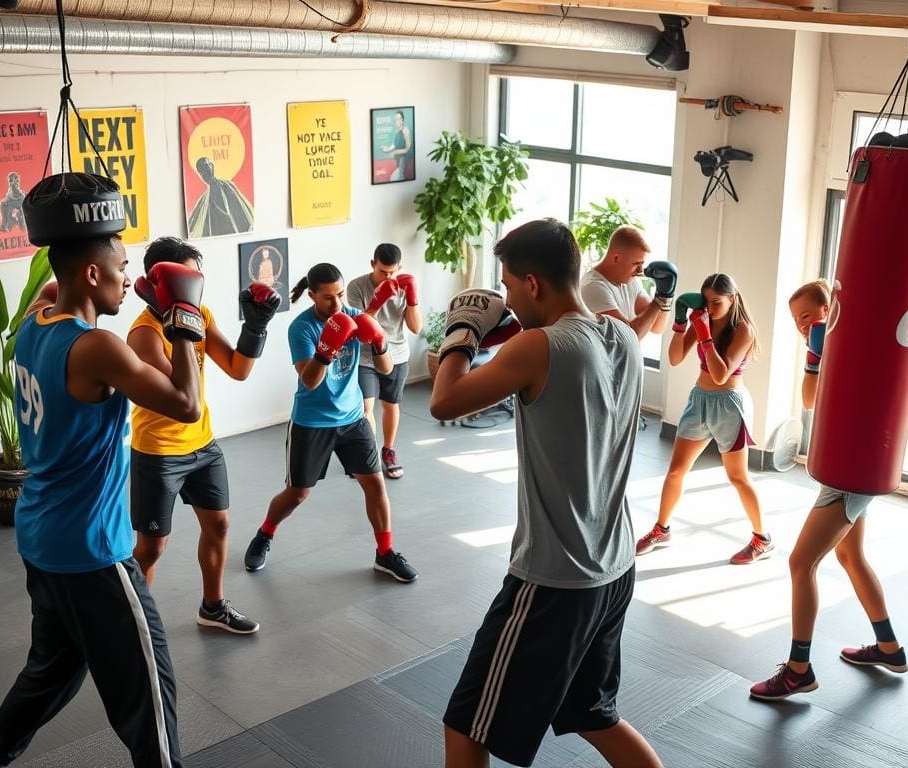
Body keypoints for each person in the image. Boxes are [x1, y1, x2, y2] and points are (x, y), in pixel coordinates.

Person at [0, 172, 203, 768]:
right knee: (150, 697)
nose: (132, 279)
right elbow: (186, 404)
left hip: (41, 537)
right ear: (92, 273)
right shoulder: (97, 348)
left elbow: (53, 292)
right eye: (123, 266)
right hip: (92, 553)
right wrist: (183, 316)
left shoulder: (34, 322)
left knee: (49, 674)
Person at [432, 219, 662, 768]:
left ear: (533, 283)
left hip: (556, 579)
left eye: (510, 286)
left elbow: (443, 402)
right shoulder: (624, 335)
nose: (509, 299)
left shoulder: (539, 345)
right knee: (592, 713)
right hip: (615, 564)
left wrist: (461, 332)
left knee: (465, 727)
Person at [749, 279, 907, 700]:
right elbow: (810, 396)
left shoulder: (853, 344)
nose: (803, 326)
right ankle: (889, 647)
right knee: (851, 555)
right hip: (851, 463)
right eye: (797, 321)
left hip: (852, 468)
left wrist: (822, 349)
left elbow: (817, 396)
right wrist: (816, 352)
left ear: (829, 311)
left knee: (801, 562)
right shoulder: (830, 348)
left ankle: (798, 669)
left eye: (808, 317)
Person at [127, 236, 280, 635]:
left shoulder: (201, 315)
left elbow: (237, 368)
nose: (198, 283)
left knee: (219, 526)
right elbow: (182, 396)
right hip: (158, 452)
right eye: (189, 275)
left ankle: (212, 607)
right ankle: (133, 622)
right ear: (163, 282)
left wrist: (256, 326)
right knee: (152, 547)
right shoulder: (144, 334)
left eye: (199, 275)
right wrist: (180, 326)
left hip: (203, 446)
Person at [243, 262, 418, 583]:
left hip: (353, 419)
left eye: (339, 294)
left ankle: (385, 552)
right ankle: (264, 534)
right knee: (297, 494)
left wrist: (378, 342)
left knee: (375, 484)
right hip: (312, 422)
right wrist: (326, 350)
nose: (337, 304)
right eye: (327, 298)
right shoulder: (301, 328)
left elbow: (387, 369)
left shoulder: (354, 314)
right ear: (312, 296)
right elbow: (309, 380)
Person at [635, 273, 770, 565]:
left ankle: (762, 539)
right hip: (699, 401)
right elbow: (674, 358)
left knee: (737, 477)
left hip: (730, 406)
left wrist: (705, 333)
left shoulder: (743, 329)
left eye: (716, 302)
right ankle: (662, 529)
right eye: (705, 302)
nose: (709, 308)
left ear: (732, 299)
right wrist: (682, 323)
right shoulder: (703, 320)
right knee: (675, 472)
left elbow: (721, 374)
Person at [346, 243, 422, 479]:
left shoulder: (405, 283)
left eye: (392, 273)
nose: (387, 277)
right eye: (382, 272)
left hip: (397, 354)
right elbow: (360, 329)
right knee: (366, 407)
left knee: (390, 405)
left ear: (400, 267)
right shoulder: (357, 286)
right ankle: (367, 455)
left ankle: (388, 451)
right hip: (366, 355)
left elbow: (415, 327)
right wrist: (378, 301)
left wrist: (411, 298)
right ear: (372, 265)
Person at [579, 226, 672, 340]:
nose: (640, 270)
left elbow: (657, 327)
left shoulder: (630, 281)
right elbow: (629, 337)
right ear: (616, 258)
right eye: (636, 263)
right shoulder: (593, 287)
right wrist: (659, 300)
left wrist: (666, 296)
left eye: (642, 264)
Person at [187, 156, 254, 238]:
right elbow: (192, 224)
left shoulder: (227, 185)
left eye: (209, 164)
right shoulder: (202, 200)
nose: (208, 168)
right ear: (200, 174)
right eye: (202, 169)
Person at [380, 111, 414, 182]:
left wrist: (394, 152)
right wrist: (387, 149)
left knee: (394, 178)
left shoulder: (405, 130)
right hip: (398, 160)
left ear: (403, 120)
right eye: (396, 119)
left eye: (400, 119)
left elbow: (407, 148)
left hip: (403, 160)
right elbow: (395, 144)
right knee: (397, 178)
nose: (398, 121)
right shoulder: (397, 131)